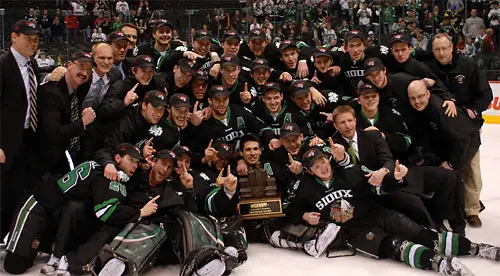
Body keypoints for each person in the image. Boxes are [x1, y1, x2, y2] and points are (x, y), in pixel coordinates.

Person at [282, 146, 499, 275]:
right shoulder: (305, 188)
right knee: (398, 247)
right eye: (316, 166)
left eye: (323, 161)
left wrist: (395, 179)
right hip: (355, 231)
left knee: (425, 235)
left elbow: (378, 186)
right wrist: (303, 215)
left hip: (379, 213)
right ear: (309, 171)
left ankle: (480, 249)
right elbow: (290, 208)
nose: (322, 167)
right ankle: (440, 264)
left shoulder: (348, 172)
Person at [3, 143, 148, 274]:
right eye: (131, 160)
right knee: (14, 265)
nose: (134, 165)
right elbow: (105, 213)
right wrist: (140, 212)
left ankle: (49, 248)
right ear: (117, 158)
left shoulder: (104, 164)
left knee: (75, 209)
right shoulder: (108, 176)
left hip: (56, 209)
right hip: (38, 202)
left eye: (137, 162)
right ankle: (21, 237)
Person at [0, 19, 64, 238]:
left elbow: (30, 90)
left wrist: (46, 78)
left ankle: (17, 237)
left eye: (35, 40)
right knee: (5, 194)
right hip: (7, 142)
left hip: (28, 138)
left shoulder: (31, 64)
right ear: (14, 37)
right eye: (28, 39)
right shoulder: (3, 65)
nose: (33, 43)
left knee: (23, 190)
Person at [425, 33, 493, 227]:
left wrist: (473, 110)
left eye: (444, 48)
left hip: (468, 126)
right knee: (447, 167)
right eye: (437, 49)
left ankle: (471, 209)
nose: (441, 52)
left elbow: (486, 94)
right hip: (440, 128)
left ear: (452, 47)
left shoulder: (468, 65)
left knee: (471, 167)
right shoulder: (429, 67)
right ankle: (448, 204)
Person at [38, 51, 97, 174]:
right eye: (81, 67)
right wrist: (83, 122)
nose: (85, 73)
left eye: (89, 69)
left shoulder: (80, 88)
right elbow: (53, 133)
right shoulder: (51, 93)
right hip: (48, 162)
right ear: (69, 65)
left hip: (72, 155)